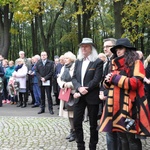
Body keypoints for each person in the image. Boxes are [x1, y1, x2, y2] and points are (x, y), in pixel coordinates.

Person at [99, 38, 150, 150]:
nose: (118, 51)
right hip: (116, 108)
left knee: (132, 139)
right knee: (122, 139)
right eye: (116, 49)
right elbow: (109, 84)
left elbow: (135, 82)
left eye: (120, 48)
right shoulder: (114, 64)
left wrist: (115, 77)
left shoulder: (137, 63)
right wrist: (107, 82)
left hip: (131, 108)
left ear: (128, 50)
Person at [72, 38, 103, 150]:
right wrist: (79, 88)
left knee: (93, 124)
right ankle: (80, 145)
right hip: (79, 96)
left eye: (86, 46)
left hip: (92, 96)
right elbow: (74, 78)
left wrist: (86, 89)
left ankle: (92, 146)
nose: (83, 48)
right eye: (82, 46)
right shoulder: (78, 61)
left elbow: (96, 79)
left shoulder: (97, 61)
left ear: (91, 48)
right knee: (76, 122)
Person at [99, 38, 122, 150]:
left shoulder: (118, 62)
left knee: (117, 131)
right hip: (107, 100)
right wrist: (101, 91)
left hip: (116, 101)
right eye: (104, 46)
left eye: (108, 46)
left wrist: (107, 93)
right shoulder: (107, 61)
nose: (105, 48)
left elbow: (117, 81)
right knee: (109, 130)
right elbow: (103, 79)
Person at [57, 51, 76, 142]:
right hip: (65, 92)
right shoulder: (64, 67)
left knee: (74, 113)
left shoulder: (75, 66)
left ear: (71, 59)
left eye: (67, 58)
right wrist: (63, 84)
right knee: (68, 113)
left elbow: (77, 79)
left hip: (73, 92)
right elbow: (59, 78)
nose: (65, 60)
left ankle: (76, 131)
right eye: (64, 58)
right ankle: (72, 130)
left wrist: (68, 84)